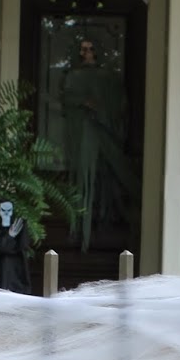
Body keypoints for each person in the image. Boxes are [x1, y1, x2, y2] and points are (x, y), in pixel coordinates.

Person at [60, 37, 132, 250]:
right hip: (82, 135)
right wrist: (83, 103)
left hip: (105, 134)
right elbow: (67, 100)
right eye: (83, 49)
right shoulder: (72, 76)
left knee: (105, 179)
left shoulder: (108, 77)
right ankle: (79, 230)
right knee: (82, 180)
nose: (87, 53)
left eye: (91, 49)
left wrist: (104, 113)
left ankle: (104, 223)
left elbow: (120, 105)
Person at [0, 199, 31, 292]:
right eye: (3, 211)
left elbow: (22, 246)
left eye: (9, 211)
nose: (6, 214)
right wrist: (9, 236)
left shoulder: (20, 228)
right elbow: (1, 247)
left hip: (14, 271)